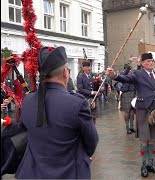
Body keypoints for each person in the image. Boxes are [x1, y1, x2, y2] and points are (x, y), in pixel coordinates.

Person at [15, 46, 99, 179]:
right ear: (65, 72)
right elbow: (91, 142)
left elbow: (24, 131)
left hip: (32, 174)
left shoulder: (28, 100)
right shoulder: (77, 103)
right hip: (69, 173)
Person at [106, 53, 155, 177]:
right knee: (144, 140)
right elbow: (125, 79)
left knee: (153, 140)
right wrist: (114, 75)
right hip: (143, 110)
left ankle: (151, 163)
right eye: (147, 61)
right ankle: (144, 165)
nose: (150, 63)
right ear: (142, 63)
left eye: (151, 61)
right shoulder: (138, 74)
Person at [119, 63, 136, 134]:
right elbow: (124, 75)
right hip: (126, 94)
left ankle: (132, 127)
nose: (130, 70)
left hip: (133, 93)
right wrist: (128, 68)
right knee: (127, 112)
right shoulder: (122, 74)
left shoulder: (133, 73)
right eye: (128, 68)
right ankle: (127, 127)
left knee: (132, 112)